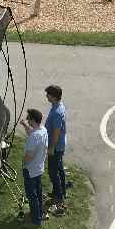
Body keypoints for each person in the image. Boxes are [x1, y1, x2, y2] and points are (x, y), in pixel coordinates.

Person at [19, 108, 48, 226]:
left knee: (32, 195)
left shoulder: (34, 137)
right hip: (39, 168)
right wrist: (24, 125)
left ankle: (36, 220)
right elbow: (31, 132)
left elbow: (29, 156)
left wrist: (23, 164)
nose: (27, 120)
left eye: (28, 119)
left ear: (32, 120)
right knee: (38, 192)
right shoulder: (43, 130)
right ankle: (39, 212)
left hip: (30, 170)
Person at [44, 85, 68, 214]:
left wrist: (51, 147)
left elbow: (56, 132)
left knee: (53, 172)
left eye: (48, 94)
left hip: (56, 146)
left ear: (53, 96)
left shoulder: (57, 112)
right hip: (60, 145)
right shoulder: (58, 106)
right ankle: (60, 191)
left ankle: (58, 195)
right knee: (59, 168)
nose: (46, 96)